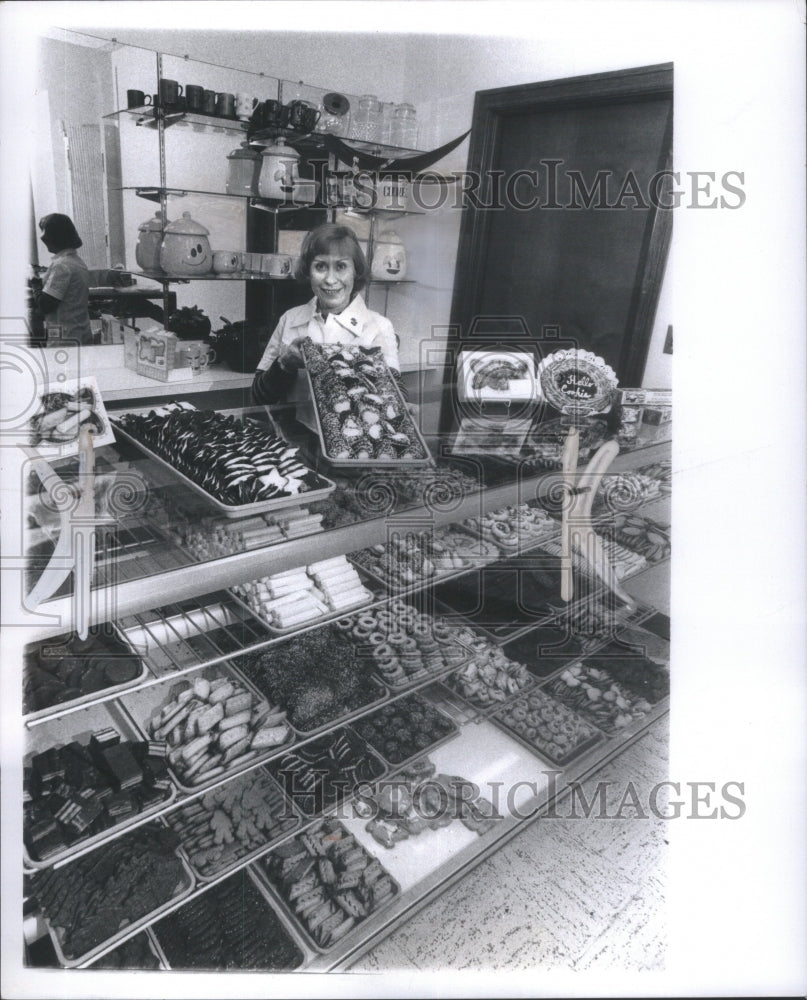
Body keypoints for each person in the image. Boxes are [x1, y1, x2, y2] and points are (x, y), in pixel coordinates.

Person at [252, 223, 406, 404]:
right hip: (292, 431)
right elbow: (258, 397)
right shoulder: (290, 319)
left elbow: (396, 396)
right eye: (320, 266)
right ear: (308, 271)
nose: (330, 280)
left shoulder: (379, 326)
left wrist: (401, 406)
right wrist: (285, 364)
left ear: (355, 271)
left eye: (341, 267)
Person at [36, 213, 93, 345]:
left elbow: (45, 305)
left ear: (54, 238)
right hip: (78, 332)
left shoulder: (62, 266)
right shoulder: (76, 261)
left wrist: (35, 283)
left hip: (65, 339)